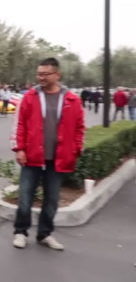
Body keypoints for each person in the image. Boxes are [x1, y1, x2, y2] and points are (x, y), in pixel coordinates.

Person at [10, 57, 85, 251]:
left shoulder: (72, 99)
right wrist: (19, 149)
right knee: (25, 198)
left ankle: (45, 234)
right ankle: (20, 232)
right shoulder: (30, 96)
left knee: (51, 200)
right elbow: (20, 124)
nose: (40, 77)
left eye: (45, 74)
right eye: (39, 74)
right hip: (32, 157)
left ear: (57, 75)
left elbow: (79, 128)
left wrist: (76, 150)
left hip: (57, 159)